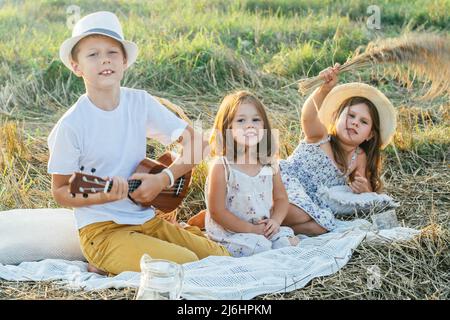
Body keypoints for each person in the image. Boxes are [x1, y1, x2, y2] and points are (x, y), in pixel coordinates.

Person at [47, 11, 229, 276]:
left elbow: (198, 144)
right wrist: (104, 195)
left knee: (219, 258)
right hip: (103, 229)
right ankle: (104, 258)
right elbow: (61, 190)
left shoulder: (139, 102)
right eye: (93, 54)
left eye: (112, 52)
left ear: (124, 61)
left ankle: (128, 256)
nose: (105, 59)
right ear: (77, 67)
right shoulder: (72, 125)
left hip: (147, 219)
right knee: (184, 264)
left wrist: (164, 178)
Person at [280, 64, 397, 235]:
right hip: (285, 185)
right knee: (297, 211)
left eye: (363, 122)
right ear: (336, 118)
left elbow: (365, 189)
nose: (355, 122)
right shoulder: (321, 138)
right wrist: (323, 90)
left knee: (322, 226)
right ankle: (270, 220)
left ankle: (272, 229)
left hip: (311, 203)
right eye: (351, 115)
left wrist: (365, 190)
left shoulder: (359, 157)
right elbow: (308, 117)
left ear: (370, 135)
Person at [204, 90, 299, 257]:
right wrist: (251, 230)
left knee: (283, 240)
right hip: (229, 233)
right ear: (228, 128)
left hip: (261, 228)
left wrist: (275, 221)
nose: (250, 125)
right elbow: (217, 211)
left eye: (256, 120)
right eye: (241, 120)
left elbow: (281, 199)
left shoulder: (269, 163)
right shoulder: (222, 166)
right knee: (261, 247)